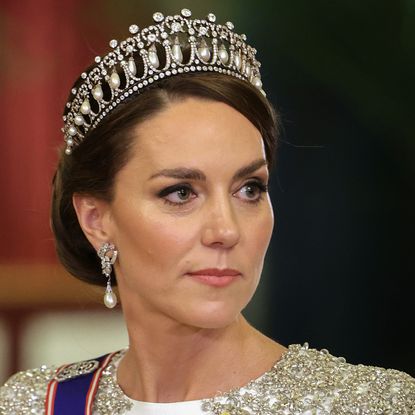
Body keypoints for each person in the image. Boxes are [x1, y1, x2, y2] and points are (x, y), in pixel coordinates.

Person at [0, 9, 413, 415]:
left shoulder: (368, 404)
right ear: (96, 220)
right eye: (180, 193)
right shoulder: (36, 404)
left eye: (249, 189)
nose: (226, 229)